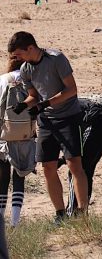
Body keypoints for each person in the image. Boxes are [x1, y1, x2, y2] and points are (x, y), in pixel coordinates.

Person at [7, 31, 89, 221]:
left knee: (74, 164)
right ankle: (60, 214)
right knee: (48, 167)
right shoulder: (26, 69)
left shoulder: (56, 59)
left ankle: (82, 213)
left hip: (69, 117)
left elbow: (71, 89)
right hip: (46, 121)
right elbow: (34, 96)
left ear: (30, 48)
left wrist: (45, 104)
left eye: (18, 54)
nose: (16, 59)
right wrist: (24, 105)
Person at [63, 95, 102, 214]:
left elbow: (74, 139)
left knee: (77, 170)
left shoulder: (63, 109)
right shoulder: (74, 103)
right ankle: (82, 212)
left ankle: (72, 213)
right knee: (86, 170)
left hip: (97, 124)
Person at [0, 56, 35, 227]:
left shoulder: (2, 80)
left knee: (2, 180)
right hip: (24, 136)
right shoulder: (30, 82)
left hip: (3, 136)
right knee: (19, 176)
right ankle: (15, 221)